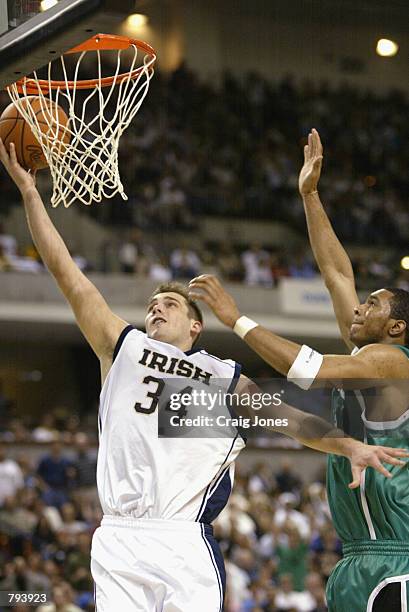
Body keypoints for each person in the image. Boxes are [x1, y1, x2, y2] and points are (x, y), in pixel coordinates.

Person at [1, 140, 407, 612]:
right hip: (119, 534)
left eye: (170, 304)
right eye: (152, 304)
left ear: (196, 326)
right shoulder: (122, 346)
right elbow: (66, 272)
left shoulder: (224, 376)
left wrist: (345, 444)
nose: (157, 308)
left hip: (184, 539)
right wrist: (31, 194)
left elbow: (291, 419)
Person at [189, 130, 409, 612]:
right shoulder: (366, 357)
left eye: (371, 305)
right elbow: (337, 274)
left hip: (398, 562)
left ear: (396, 326)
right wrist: (310, 196)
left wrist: (236, 319)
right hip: (358, 556)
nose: (359, 308)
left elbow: (305, 370)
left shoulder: (392, 362)